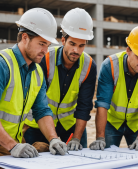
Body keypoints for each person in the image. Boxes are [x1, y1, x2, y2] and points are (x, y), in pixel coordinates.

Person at [0, 8, 68, 169]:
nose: (45, 51)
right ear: (25, 38)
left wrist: (53, 138)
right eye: (41, 44)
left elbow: (42, 110)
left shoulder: (37, 72)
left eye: (47, 45)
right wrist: (12, 146)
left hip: (14, 143)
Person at [24, 8, 96, 151]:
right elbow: (38, 102)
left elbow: (84, 106)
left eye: (81, 46)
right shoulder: (45, 59)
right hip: (38, 125)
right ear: (63, 40)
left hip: (69, 126)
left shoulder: (89, 66)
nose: (76, 50)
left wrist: (76, 137)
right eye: (72, 44)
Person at [89, 25, 138, 151]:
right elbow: (102, 104)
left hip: (136, 124)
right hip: (112, 122)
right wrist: (100, 137)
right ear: (128, 50)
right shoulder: (110, 66)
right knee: (108, 159)